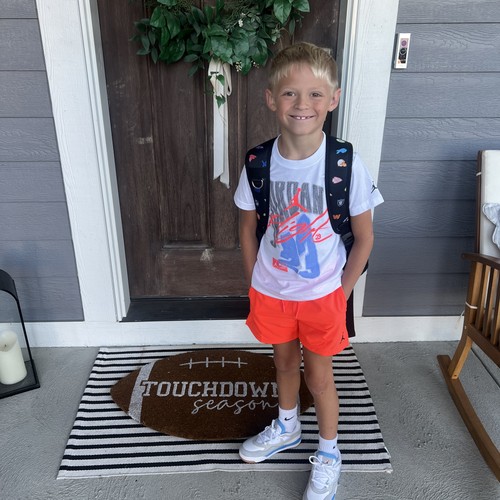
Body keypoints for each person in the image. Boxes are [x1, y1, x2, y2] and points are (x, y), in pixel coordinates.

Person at [233, 42, 384, 499]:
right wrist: (254, 282)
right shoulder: (259, 163)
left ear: (333, 99)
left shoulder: (344, 164)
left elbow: (365, 237)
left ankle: (330, 452)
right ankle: (287, 426)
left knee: (319, 378)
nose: (302, 104)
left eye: (315, 94)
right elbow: (247, 229)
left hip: (322, 296)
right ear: (270, 98)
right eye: (290, 94)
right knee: (282, 364)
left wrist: (341, 293)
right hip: (272, 291)